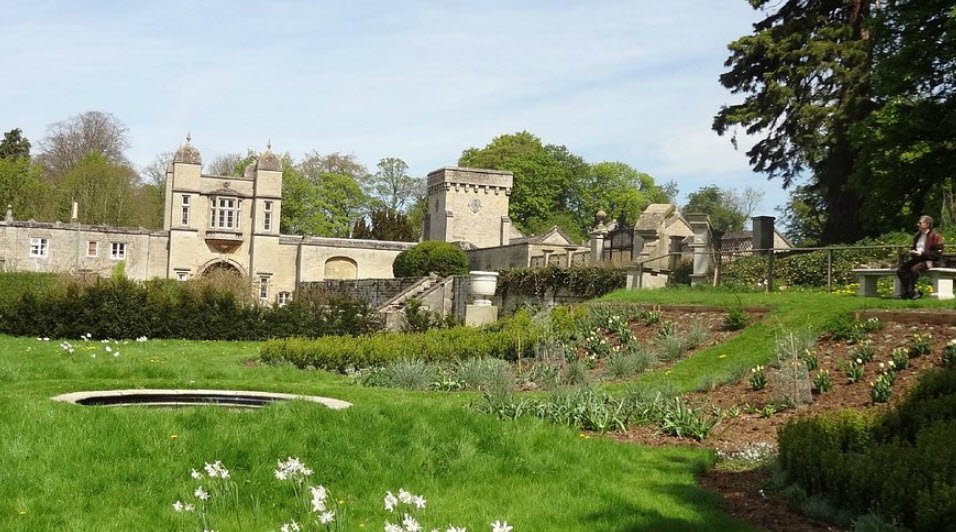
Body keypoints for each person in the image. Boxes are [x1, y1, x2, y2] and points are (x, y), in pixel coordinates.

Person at [896, 215, 944, 299]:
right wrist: (912, 252)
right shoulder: (917, 236)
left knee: (914, 269)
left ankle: (910, 293)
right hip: (918, 259)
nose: (917, 224)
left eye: (920, 223)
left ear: (927, 224)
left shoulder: (935, 236)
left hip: (931, 261)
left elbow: (937, 253)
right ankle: (912, 292)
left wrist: (922, 253)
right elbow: (915, 248)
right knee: (901, 270)